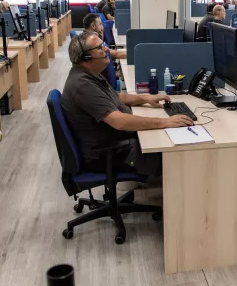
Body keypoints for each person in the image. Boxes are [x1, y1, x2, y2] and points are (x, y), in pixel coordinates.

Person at [61, 31, 194, 177]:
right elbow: (119, 122)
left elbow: (116, 96)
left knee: (166, 137)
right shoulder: (82, 85)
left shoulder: (89, 74)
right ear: (86, 57)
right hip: (107, 154)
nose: (106, 49)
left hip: (115, 143)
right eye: (99, 47)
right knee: (178, 154)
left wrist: (145, 98)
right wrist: (166, 122)